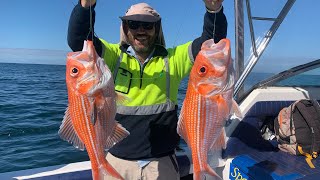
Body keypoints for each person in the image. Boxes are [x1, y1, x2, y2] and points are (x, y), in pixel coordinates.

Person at [67, 0, 227, 179]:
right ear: (125, 28)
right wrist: (85, 6)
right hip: (117, 161)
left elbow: (212, 44)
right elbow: (77, 41)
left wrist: (214, 10)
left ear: (157, 29)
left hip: (162, 161)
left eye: (148, 25)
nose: (140, 30)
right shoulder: (112, 57)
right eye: (134, 24)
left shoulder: (173, 59)